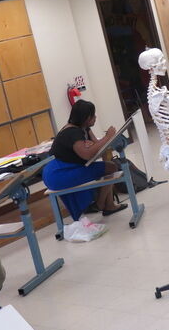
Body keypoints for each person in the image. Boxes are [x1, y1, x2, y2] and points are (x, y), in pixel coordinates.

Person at [42, 100, 127, 236]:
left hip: (64, 169)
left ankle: (108, 205)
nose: (95, 118)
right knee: (111, 168)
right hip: (59, 173)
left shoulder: (84, 128)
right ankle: (101, 204)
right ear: (87, 118)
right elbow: (87, 154)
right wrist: (108, 136)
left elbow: (97, 145)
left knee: (110, 166)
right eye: (93, 116)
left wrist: (98, 143)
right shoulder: (72, 132)